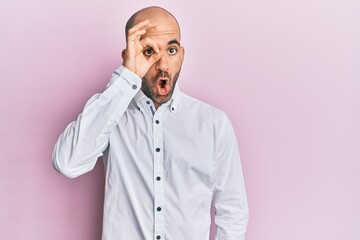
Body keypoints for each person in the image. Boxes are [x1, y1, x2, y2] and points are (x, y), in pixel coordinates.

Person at [52, 6, 249, 240]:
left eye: (172, 50)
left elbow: (233, 210)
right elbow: (67, 163)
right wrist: (127, 76)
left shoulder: (214, 124)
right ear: (131, 56)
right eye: (148, 52)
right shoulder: (112, 114)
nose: (163, 64)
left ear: (182, 55)